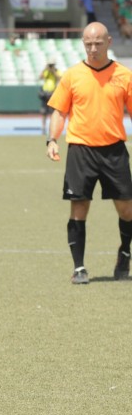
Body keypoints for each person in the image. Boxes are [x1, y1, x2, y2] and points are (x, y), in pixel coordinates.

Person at [46, 22, 132, 284]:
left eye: (97, 43)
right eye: (88, 43)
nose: (92, 48)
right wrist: (52, 140)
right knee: (79, 207)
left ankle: (125, 254)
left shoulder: (124, 75)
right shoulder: (72, 75)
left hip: (114, 151)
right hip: (80, 150)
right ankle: (79, 267)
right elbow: (59, 111)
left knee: (127, 210)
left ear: (108, 42)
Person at [38, 59, 61, 135]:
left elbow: (59, 78)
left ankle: (52, 127)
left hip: (53, 93)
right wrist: (45, 68)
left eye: (52, 65)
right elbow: (40, 77)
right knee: (44, 112)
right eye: (50, 65)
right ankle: (43, 127)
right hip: (45, 93)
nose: (51, 66)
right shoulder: (46, 71)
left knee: (53, 112)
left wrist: (53, 71)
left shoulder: (56, 71)